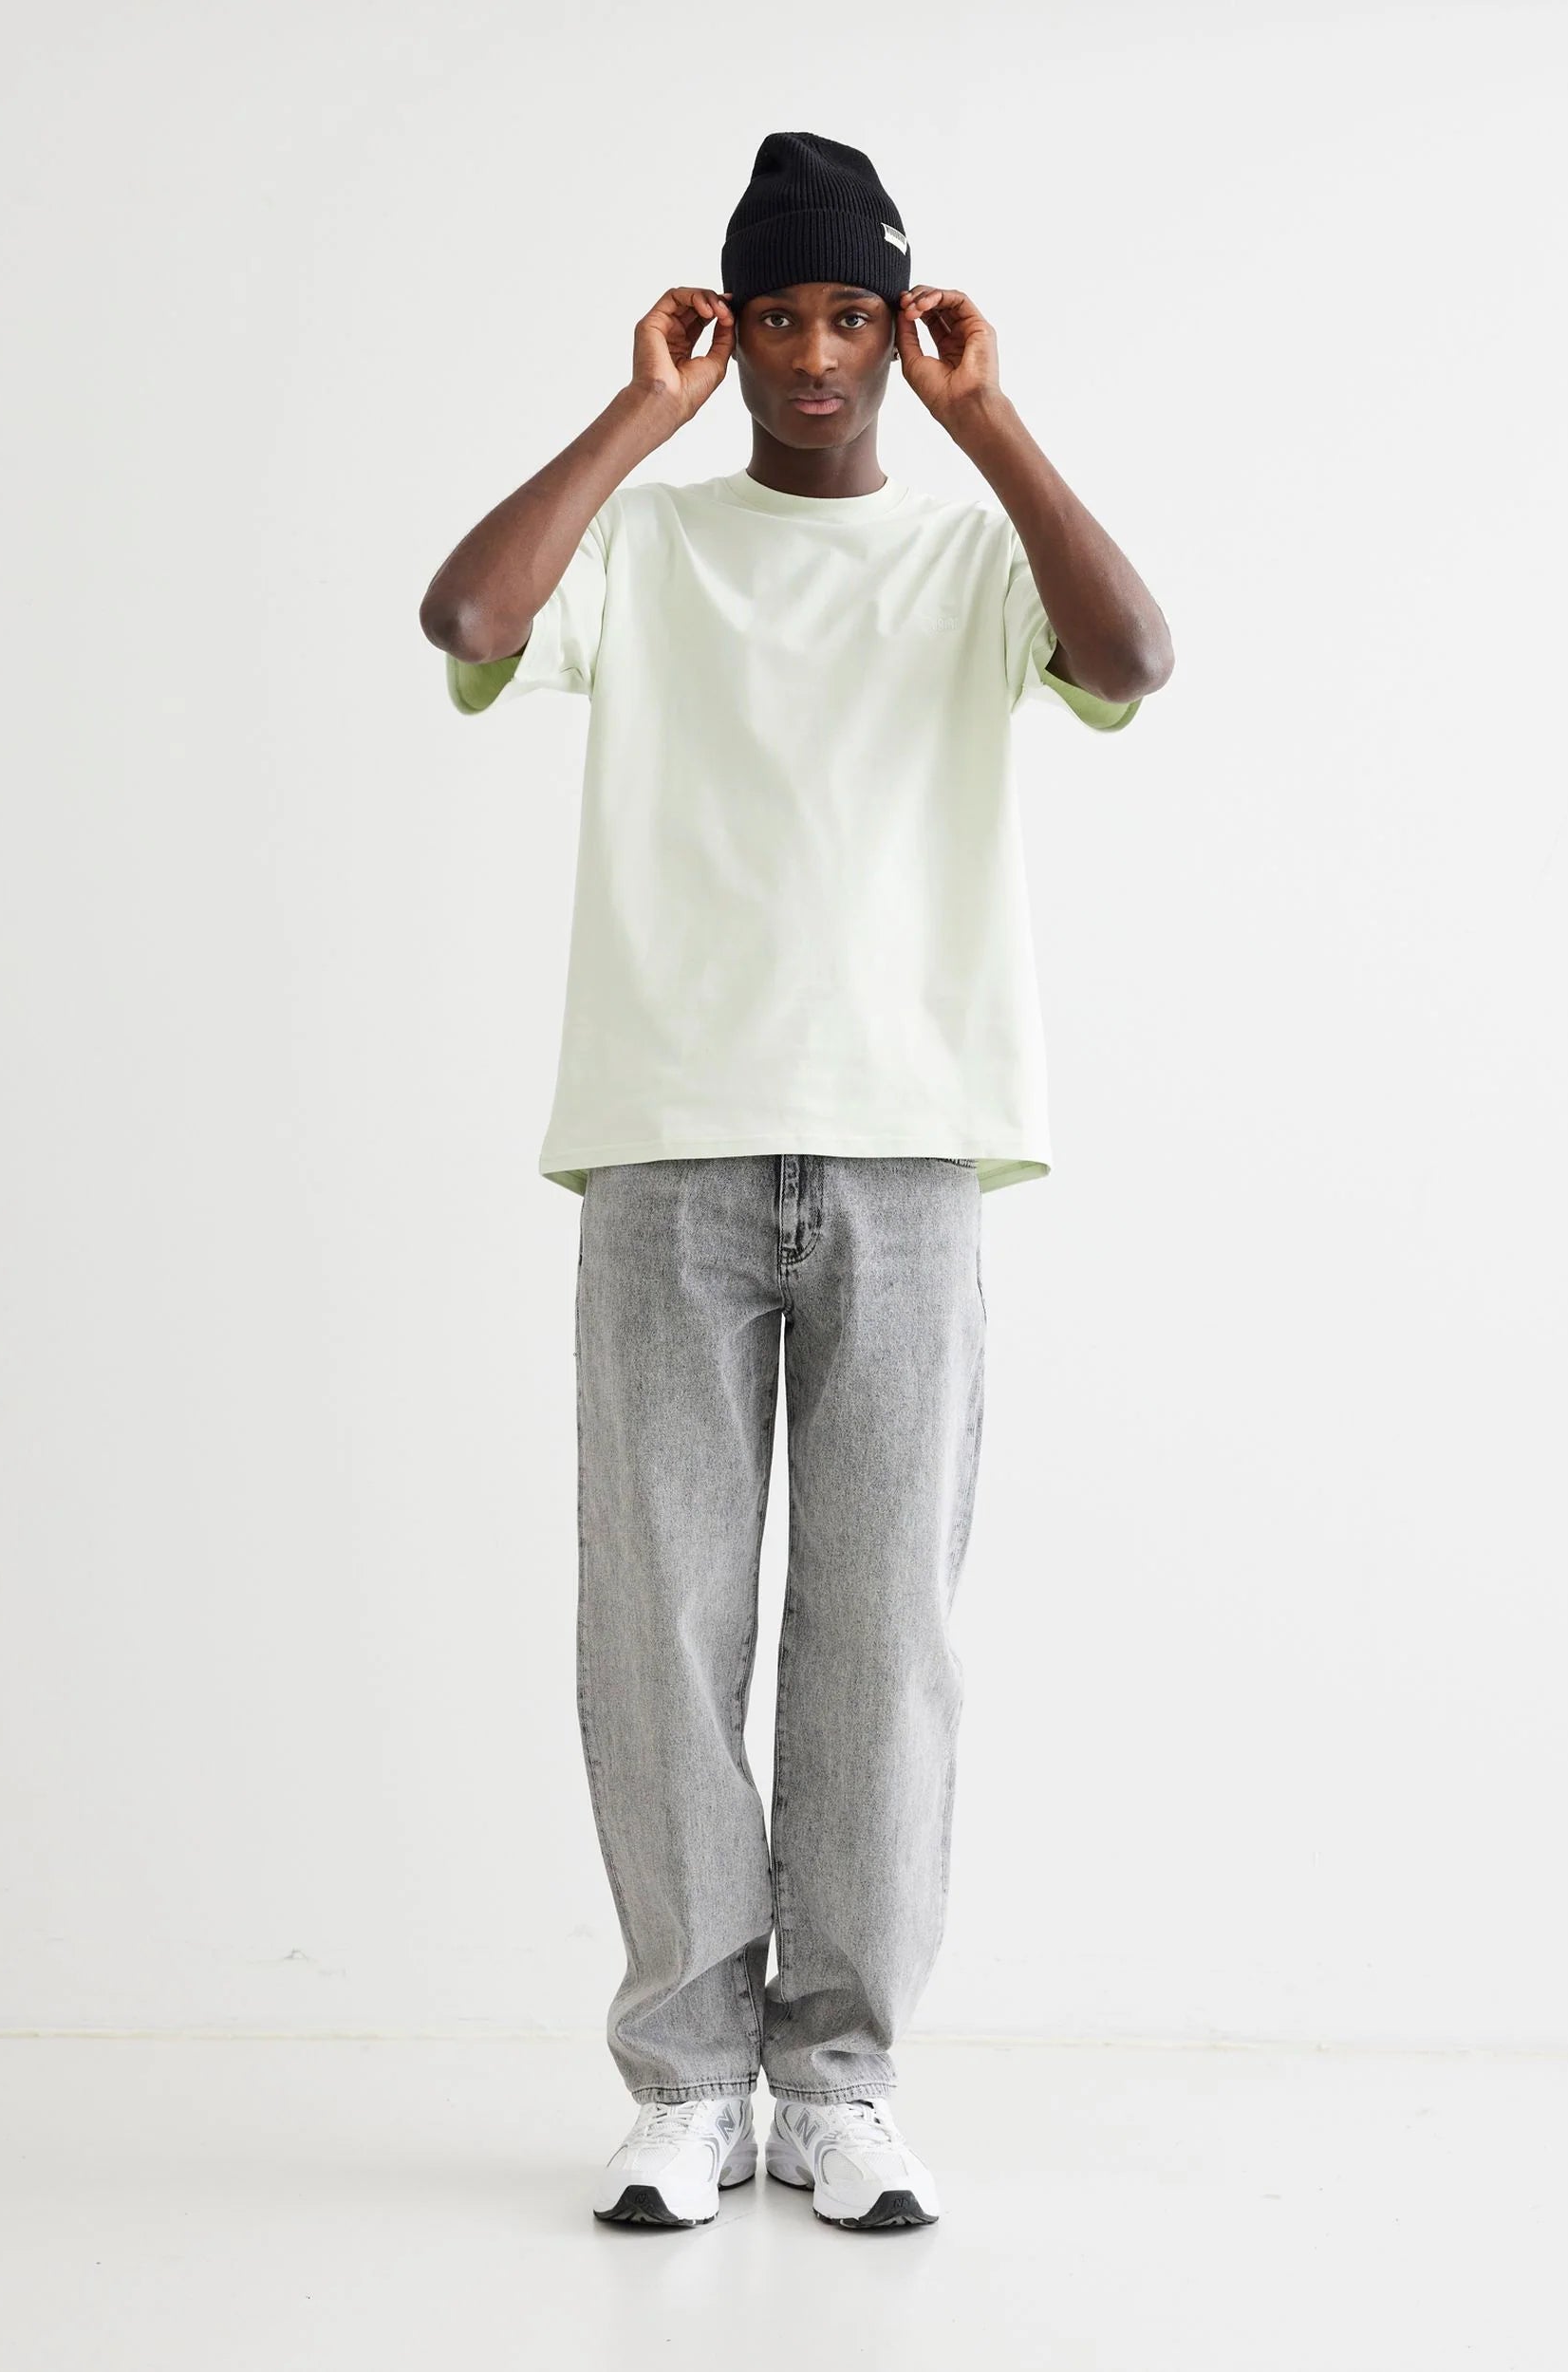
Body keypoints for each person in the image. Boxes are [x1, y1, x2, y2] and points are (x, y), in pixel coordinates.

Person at [419, 130, 1172, 2232]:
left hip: (910, 1147)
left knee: (878, 1637)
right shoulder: (649, 546)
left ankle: (836, 2078)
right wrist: (635, 415)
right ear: (729, 329)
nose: (818, 354)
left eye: (852, 314)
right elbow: (468, 614)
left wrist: (988, 419)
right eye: (780, 318)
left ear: (899, 325)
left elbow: (1131, 659)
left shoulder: (968, 559)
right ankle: (686, 2079)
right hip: (668, 1141)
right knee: (656, 1626)